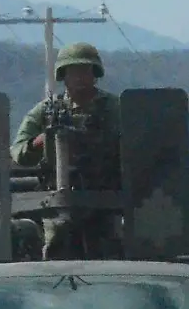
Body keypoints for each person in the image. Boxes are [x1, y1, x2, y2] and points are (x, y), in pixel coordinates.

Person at [10, 42, 122, 259]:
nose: (80, 77)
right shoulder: (46, 110)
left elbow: (138, 147)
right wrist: (43, 140)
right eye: (73, 71)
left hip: (107, 199)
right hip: (57, 198)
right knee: (55, 245)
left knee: (112, 250)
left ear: (95, 73)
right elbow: (19, 152)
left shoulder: (115, 109)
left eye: (85, 70)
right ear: (64, 75)